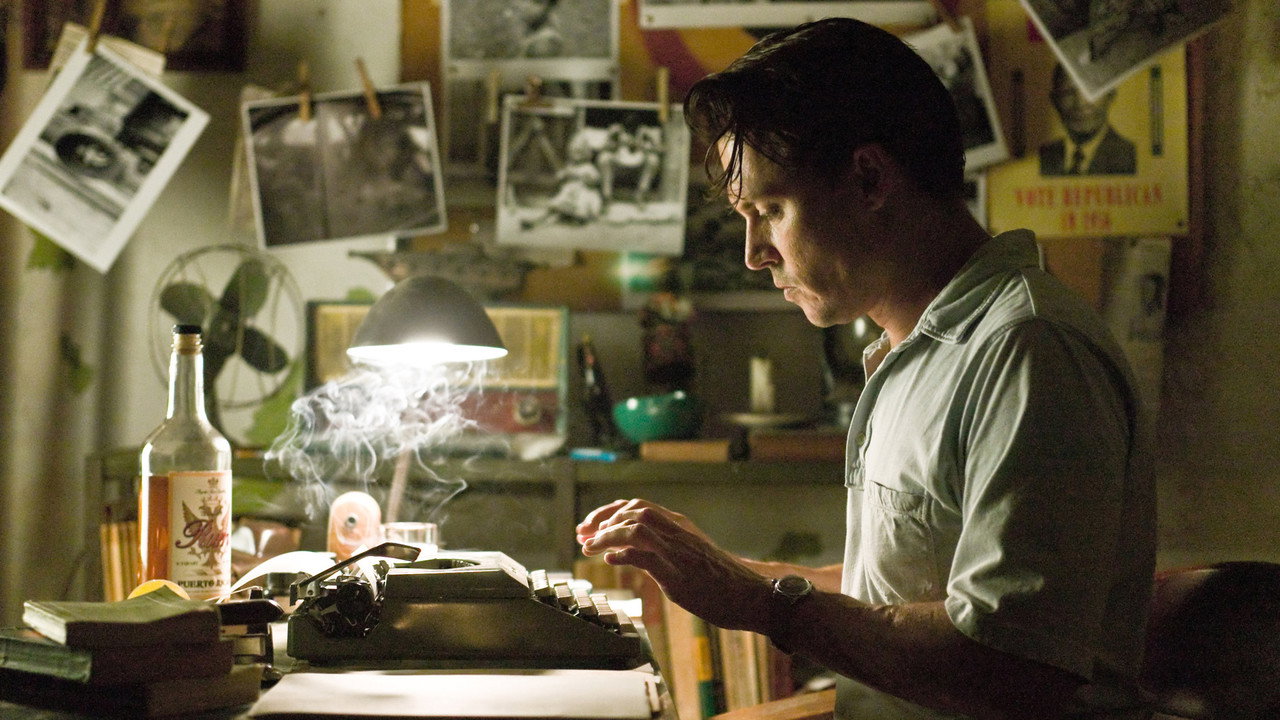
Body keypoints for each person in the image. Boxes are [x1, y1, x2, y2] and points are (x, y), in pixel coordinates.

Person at [575, 17, 1154, 720]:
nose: (755, 253)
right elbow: (900, 595)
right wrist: (718, 569)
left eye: (770, 209)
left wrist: (760, 603)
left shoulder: (1025, 350)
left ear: (869, 179)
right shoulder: (915, 351)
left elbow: (1012, 667)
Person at [1039, 64, 1137, 176]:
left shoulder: (1129, 157)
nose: (1080, 104)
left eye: (1091, 91)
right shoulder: (1042, 157)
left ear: (1110, 95)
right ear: (1054, 101)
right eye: (1068, 92)